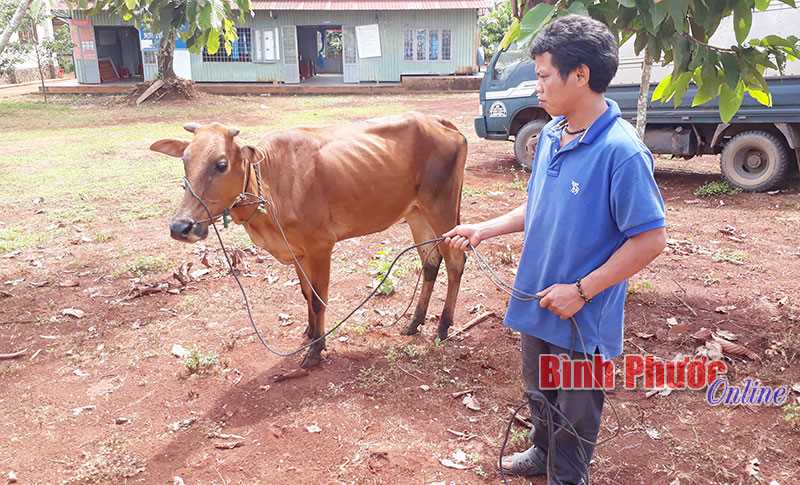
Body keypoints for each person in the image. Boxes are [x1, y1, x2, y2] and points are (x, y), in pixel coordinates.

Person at [444, 15, 667, 485]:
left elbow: (650, 239)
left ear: (580, 74)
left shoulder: (620, 151)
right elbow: (537, 204)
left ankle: (567, 475)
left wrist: (582, 292)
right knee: (539, 390)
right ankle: (540, 453)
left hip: (582, 317)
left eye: (545, 75)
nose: (537, 86)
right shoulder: (551, 134)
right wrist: (485, 228)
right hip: (536, 299)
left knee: (577, 409)